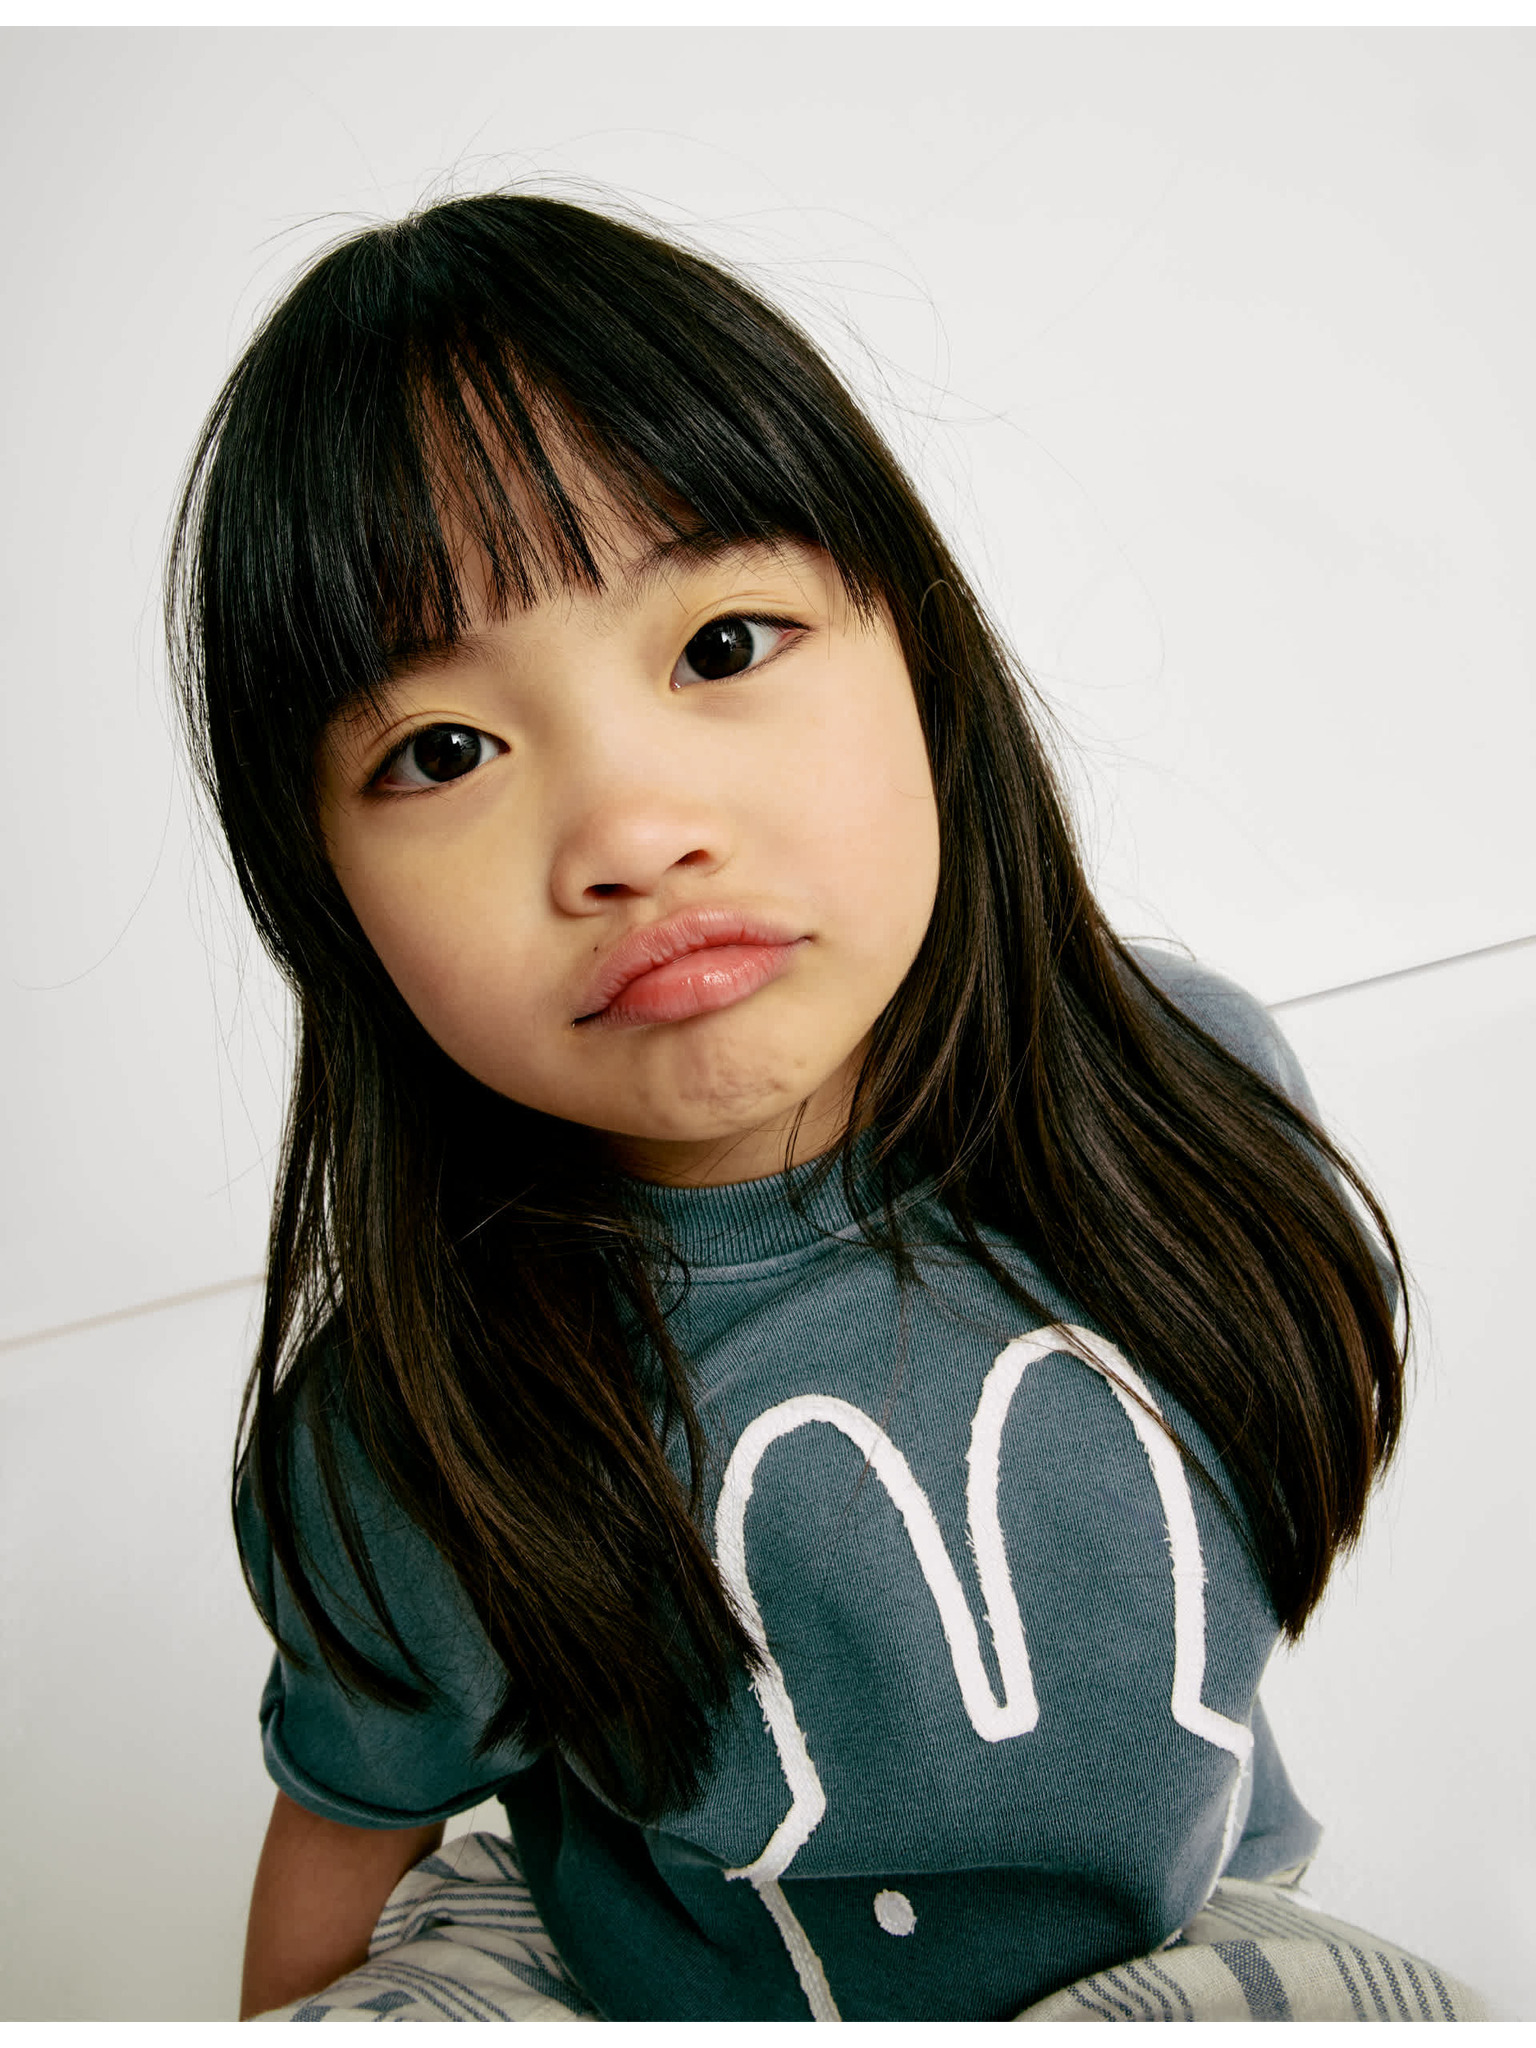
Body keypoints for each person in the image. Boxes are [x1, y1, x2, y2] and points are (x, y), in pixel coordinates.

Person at [168, 191, 1418, 2023]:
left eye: (724, 646)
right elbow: (341, 1846)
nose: (631, 832)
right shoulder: (416, 1423)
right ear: (324, 898)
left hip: (1182, 1943)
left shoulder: (1191, 1087)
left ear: (923, 651)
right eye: (443, 751)